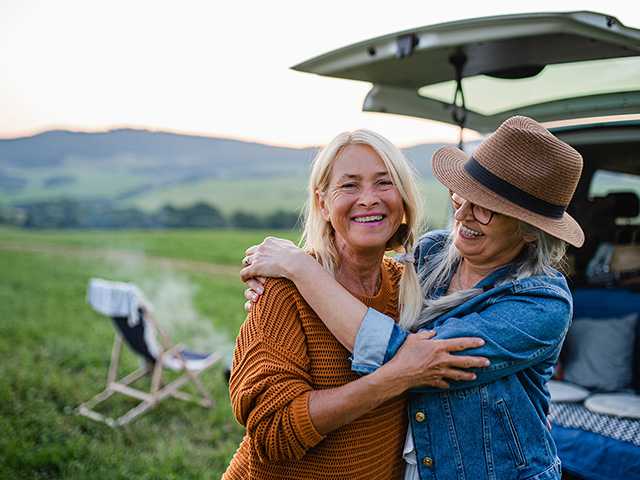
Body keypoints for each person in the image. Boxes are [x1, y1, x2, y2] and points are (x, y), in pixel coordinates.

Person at [240, 116, 585, 480]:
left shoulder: (541, 304)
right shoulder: (431, 253)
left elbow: (410, 359)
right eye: (461, 196)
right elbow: (364, 264)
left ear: (530, 230)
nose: (463, 215)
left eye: (485, 208)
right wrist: (288, 278)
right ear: (322, 202)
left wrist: (301, 270)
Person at [223, 129, 487, 480]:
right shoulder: (284, 289)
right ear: (322, 203)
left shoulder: (409, 285)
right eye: (349, 186)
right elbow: (274, 432)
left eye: (384, 183)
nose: (368, 199)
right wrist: (393, 379)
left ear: (404, 199)